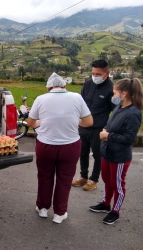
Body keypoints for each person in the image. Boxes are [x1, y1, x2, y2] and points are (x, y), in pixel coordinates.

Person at [27, 73, 93, 224]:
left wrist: (39, 124)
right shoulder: (76, 97)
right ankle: (59, 213)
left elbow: (31, 123)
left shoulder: (41, 99)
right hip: (70, 146)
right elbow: (88, 122)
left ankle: (42, 208)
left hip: (46, 146)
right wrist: (75, 121)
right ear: (65, 86)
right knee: (65, 179)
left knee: (44, 176)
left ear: (48, 87)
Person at [89, 78, 143, 225]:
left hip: (120, 157)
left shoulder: (134, 113)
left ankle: (115, 211)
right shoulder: (119, 108)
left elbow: (129, 138)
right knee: (107, 181)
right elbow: (110, 124)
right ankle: (106, 203)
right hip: (107, 152)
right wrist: (106, 130)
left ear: (124, 94)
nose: (113, 96)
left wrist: (108, 135)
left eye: (114, 93)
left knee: (117, 184)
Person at [72, 59, 115, 191]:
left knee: (98, 155)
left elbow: (115, 111)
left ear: (106, 74)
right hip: (83, 126)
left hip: (99, 128)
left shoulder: (111, 89)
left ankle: (94, 179)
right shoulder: (88, 84)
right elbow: (80, 103)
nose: (95, 76)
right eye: (93, 73)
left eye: (98, 74)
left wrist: (108, 129)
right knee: (82, 153)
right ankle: (83, 176)